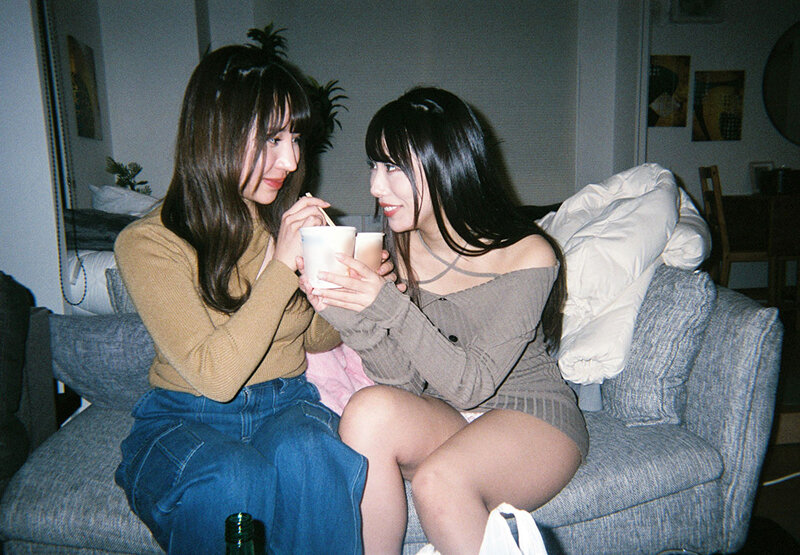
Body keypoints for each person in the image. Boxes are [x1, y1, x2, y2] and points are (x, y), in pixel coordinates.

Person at [300, 87, 589, 554]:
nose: (375, 186)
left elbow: (471, 385)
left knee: (438, 480)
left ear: (446, 164)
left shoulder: (529, 254)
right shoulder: (404, 244)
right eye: (374, 166)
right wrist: (347, 313)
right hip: (451, 417)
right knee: (368, 410)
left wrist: (388, 306)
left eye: (393, 167)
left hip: (533, 417)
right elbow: (404, 383)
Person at [113, 45, 374, 555]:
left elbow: (318, 339)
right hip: (186, 416)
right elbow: (215, 377)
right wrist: (280, 268)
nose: (292, 160)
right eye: (274, 138)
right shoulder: (149, 243)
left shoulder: (279, 222)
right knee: (234, 477)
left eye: (295, 139)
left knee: (313, 455)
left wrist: (342, 289)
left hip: (287, 404)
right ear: (217, 133)